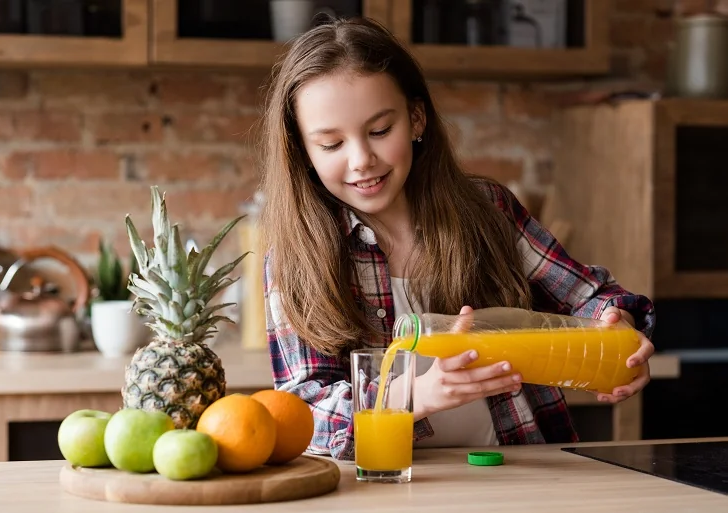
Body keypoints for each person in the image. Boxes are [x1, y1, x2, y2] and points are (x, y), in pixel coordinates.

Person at [256, 16, 656, 461]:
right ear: (304, 153)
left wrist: (619, 329)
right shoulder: (298, 260)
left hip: (522, 473)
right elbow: (302, 412)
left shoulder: (487, 210)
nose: (361, 160)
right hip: (389, 485)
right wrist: (415, 394)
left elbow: (590, 296)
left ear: (416, 118)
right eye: (331, 145)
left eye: (380, 131)